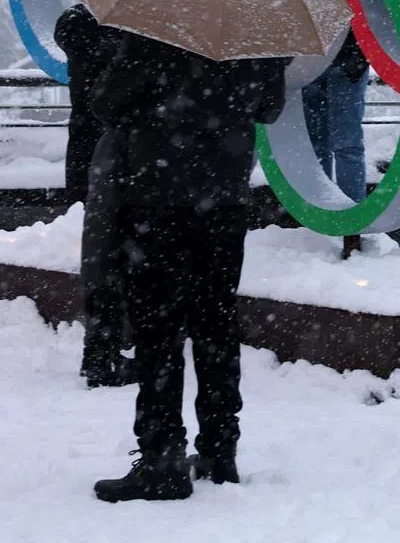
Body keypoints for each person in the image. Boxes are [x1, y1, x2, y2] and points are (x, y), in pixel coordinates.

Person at [90, 30, 288, 503]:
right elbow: (270, 108)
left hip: (157, 201)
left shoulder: (157, 28)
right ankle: (220, 450)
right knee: (216, 325)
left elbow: (104, 103)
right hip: (222, 203)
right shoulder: (256, 34)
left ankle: (162, 459)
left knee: (158, 333)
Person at [233, 0, 370, 203]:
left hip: (344, 60)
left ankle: (352, 219)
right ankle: (324, 211)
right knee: (317, 142)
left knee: (345, 142)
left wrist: (353, 51)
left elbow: (354, 0)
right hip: (306, 62)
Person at [54, 0, 133, 389]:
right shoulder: (88, 25)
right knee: (107, 258)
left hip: (102, 154)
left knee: (105, 257)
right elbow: (106, 95)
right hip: (105, 154)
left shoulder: (83, 24)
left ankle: (103, 349)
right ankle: (102, 353)